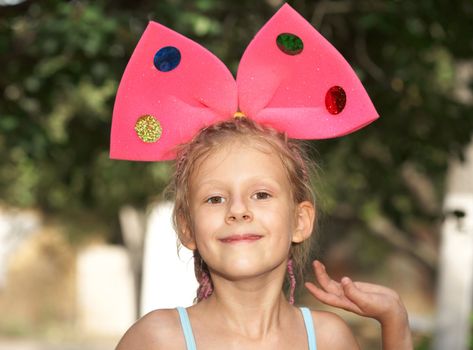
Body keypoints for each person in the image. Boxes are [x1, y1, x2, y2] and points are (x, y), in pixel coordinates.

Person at [110, 4, 413, 349]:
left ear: (300, 219)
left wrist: (394, 321)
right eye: (215, 198)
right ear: (187, 227)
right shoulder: (158, 339)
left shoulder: (329, 339)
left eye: (262, 195)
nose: (238, 210)